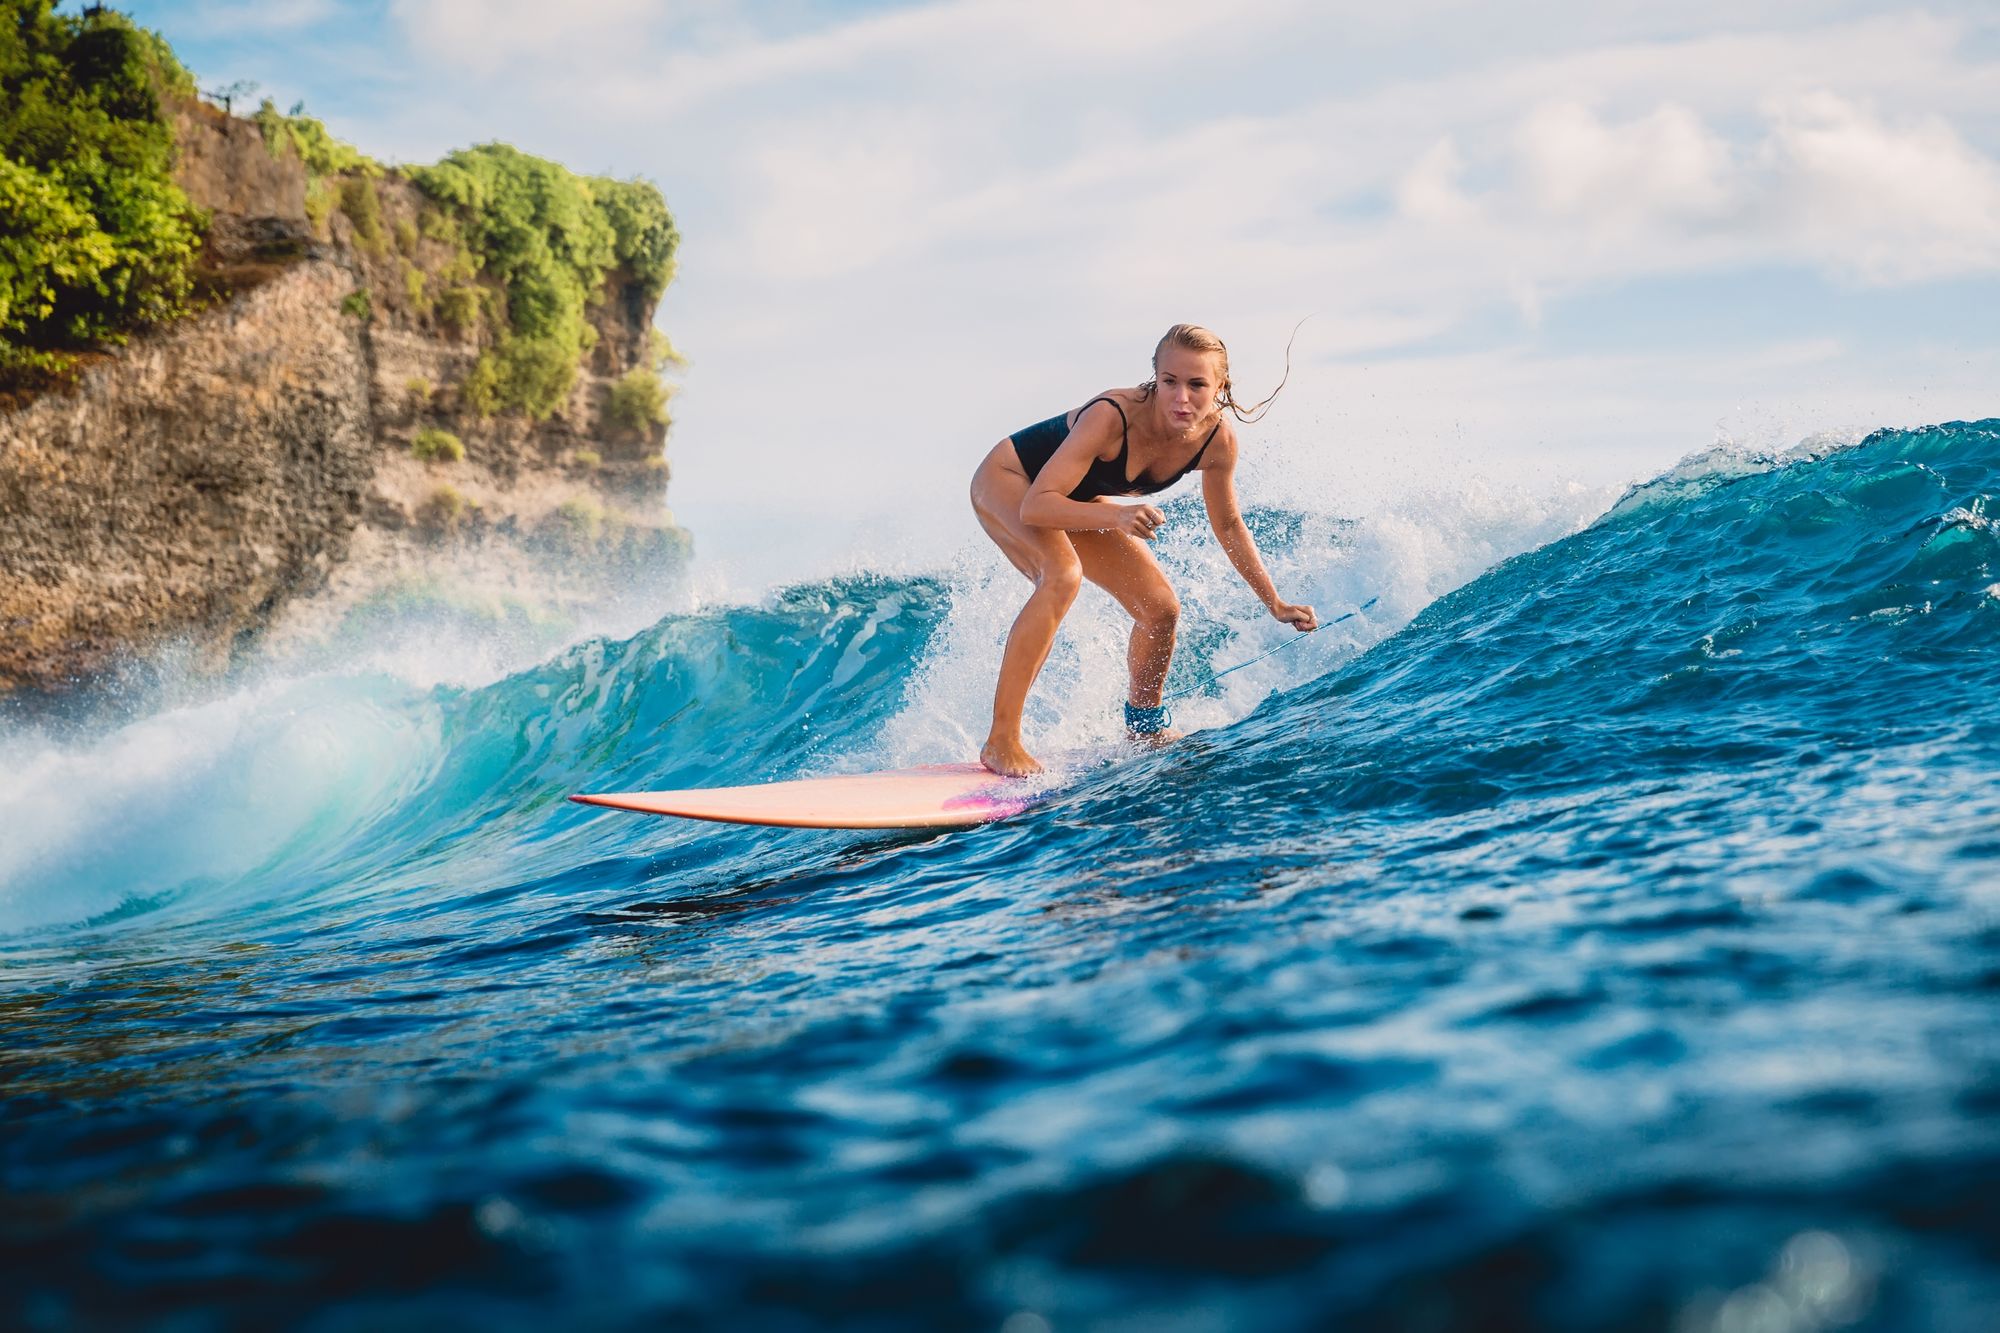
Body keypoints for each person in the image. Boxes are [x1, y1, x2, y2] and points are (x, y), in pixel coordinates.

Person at [969, 323, 1319, 777]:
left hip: (1071, 498)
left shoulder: (1217, 442)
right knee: (1062, 574)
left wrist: (1274, 601)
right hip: (1011, 481)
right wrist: (1116, 516)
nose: (1181, 398)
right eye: (1170, 382)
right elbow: (1038, 506)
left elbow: (1229, 524)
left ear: (1220, 387)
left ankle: (1144, 726)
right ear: (1155, 376)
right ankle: (1002, 741)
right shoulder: (1112, 416)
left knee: (1160, 608)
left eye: (1197, 385)